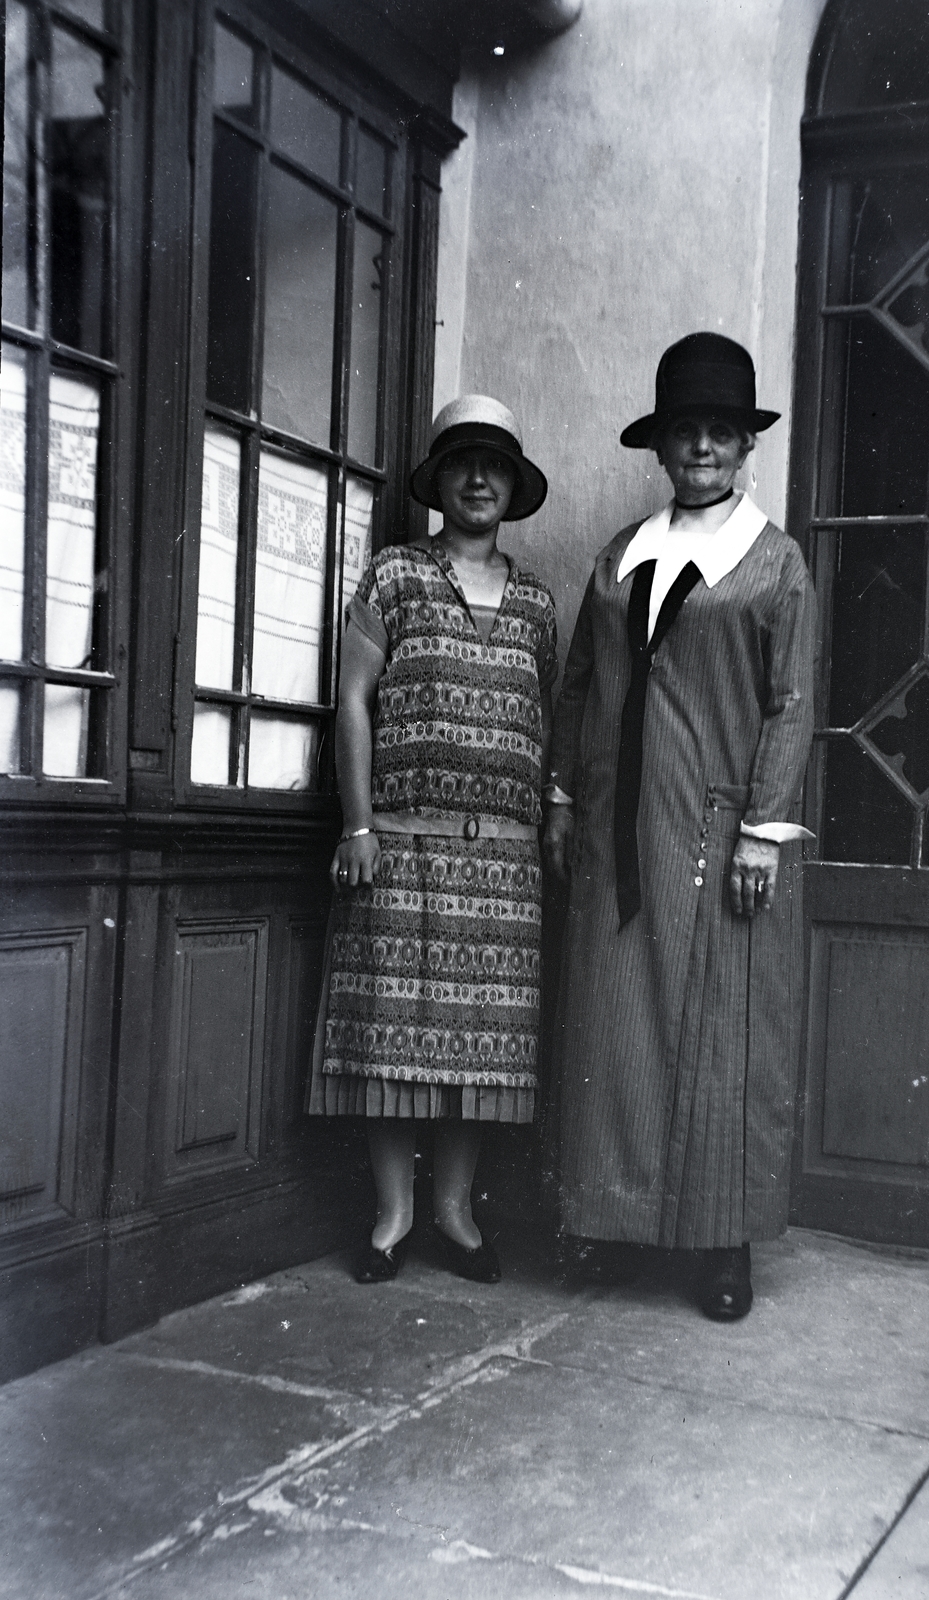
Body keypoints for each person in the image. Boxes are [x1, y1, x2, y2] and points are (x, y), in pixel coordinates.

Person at [543, 333, 815, 1321]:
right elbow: (580, 685)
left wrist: (763, 830)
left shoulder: (774, 564)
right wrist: (562, 796)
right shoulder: (621, 558)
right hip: (617, 834)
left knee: (720, 1041)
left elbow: (790, 704)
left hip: (714, 836)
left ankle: (719, 1244)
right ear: (660, 446)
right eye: (686, 430)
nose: (702, 446)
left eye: (721, 431)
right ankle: (614, 1226)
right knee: (617, 1034)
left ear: (745, 447)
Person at [307, 395, 557, 1285]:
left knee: (476, 1046)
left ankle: (454, 1213)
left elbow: (546, 722)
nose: (479, 480)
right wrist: (358, 823)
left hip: (501, 861)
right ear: (439, 480)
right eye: (462, 464)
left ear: (513, 486)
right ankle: (394, 1215)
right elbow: (353, 702)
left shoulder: (536, 602)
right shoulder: (394, 576)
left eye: (496, 467)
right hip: (401, 846)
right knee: (393, 1036)